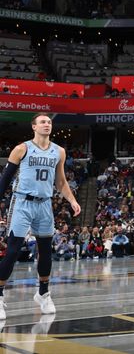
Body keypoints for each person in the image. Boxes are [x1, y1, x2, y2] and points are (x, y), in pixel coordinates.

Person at [0, 113, 81, 319]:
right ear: (34, 127)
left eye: (49, 122)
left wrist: (72, 200)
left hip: (45, 204)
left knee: (45, 251)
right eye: (43, 122)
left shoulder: (59, 151)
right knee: (13, 251)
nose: (47, 124)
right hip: (22, 203)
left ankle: (43, 292)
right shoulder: (22, 149)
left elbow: (61, 182)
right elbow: (5, 180)